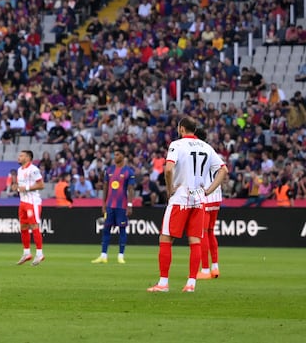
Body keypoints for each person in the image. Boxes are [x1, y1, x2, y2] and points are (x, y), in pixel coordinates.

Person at [148, 116, 227, 293]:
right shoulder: (207, 147)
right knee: (195, 240)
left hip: (180, 197)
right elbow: (223, 170)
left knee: (166, 238)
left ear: (182, 129)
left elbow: (168, 169)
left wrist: (169, 190)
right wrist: (209, 190)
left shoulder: (177, 145)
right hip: (199, 199)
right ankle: (191, 283)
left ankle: (163, 283)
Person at [93, 149, 135, 264]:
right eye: (114, 155)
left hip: (122, 205)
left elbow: (131, 189)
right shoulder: (109, 170)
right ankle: (103, 255)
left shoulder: (128, 172)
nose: (115, 156)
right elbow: (105, 187)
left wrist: (130, 205)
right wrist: (103, 203)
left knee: (122, 229)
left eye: (117, 154)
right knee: (106, 229)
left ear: (123, 156)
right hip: (110, 205)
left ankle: (121, 255)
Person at [11, 149, 45, 266]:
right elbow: (21, 186)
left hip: (32, 202)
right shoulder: (20, 170)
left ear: (28, 158)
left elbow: (41, 185)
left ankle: (40, 254)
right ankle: (27, 253)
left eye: (21, 156)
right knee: (23, 226)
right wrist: (16, 187)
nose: (19, 157)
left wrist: (26, 188)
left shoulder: (34, 170)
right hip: (23, 202)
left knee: (34, 225)